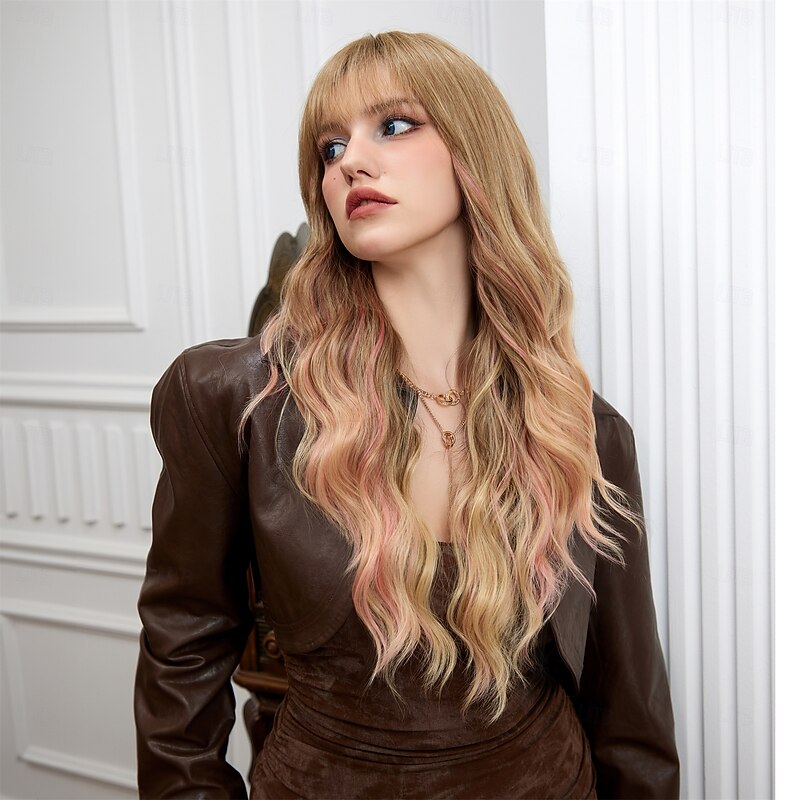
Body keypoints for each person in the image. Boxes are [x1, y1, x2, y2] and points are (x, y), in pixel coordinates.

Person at [134, 31, 679, 800]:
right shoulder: (234, 400)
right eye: (330, 148)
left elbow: (629, 712)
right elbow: (180, 655)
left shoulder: (579, 426)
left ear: (476, 151)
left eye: (393, 126)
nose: (350, 162)